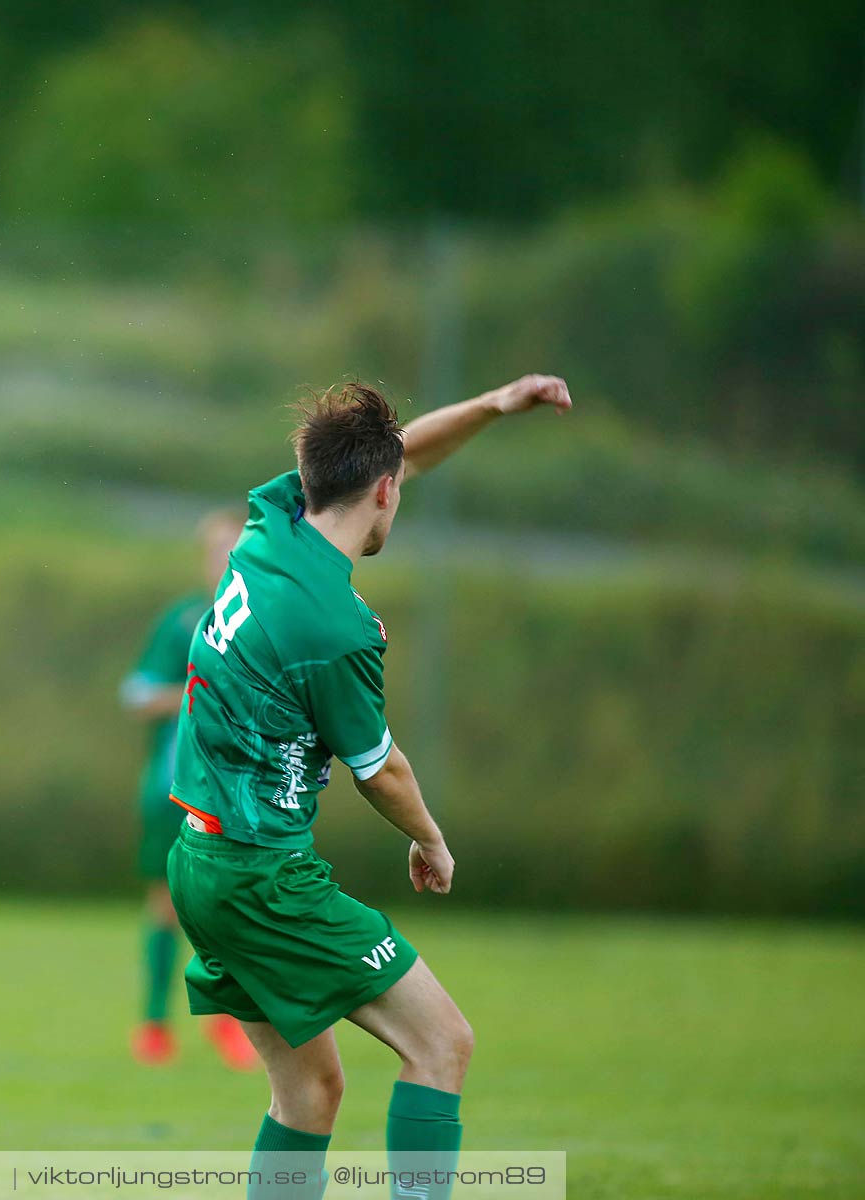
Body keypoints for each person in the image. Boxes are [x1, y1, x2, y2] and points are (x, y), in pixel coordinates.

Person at [165, 376, 571, 1199]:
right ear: (382, 495)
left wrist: (492, 407)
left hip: (201, 867)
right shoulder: (332, 624)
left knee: (309, 1095)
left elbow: (402, 454)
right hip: (264, 877)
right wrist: (430, 838)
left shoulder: (269, 523)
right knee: (442, 1044)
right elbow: (381, 770)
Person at [120, 509, 257, 1070]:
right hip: (172, 785)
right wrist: (199, 692)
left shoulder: (264, 624)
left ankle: (228, 1023)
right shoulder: (182, 623)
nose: (224, 561)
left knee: (230, 908)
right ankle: (154, 1025)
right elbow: (135, 693)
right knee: (166, 906)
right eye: (216, 550)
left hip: (240, 790)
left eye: (235, 550)